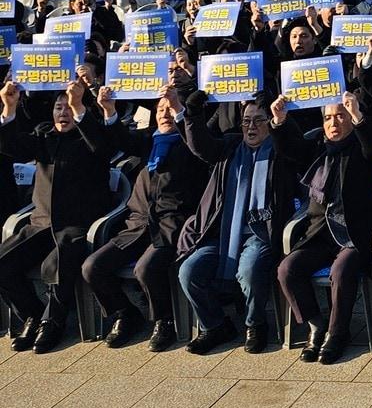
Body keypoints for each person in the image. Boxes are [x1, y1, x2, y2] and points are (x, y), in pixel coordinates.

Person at [82, 83, 208, 350]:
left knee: (146, 268)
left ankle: (165, 320)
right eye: (160, 109)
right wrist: (108, 109)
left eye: (170, 109)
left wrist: (179, 109)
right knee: (92, 267)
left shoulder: (190, 144)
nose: (164, 113)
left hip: (172, 225)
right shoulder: (149, 141)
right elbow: (120, 140)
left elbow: (198, 142)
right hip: (138, 225)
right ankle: (126, 314)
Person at [176, 94, 304, 355]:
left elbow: (296, 146)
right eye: (246, 121)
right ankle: (215, 326)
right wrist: (192, 110)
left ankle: (255, 324)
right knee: (189, 271)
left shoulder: (280, 150)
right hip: (224, 233)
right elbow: (200, 145)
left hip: (263, 232)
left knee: (250, 268)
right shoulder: (230, 147)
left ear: (270, 123)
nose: (251, 127)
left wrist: (282, 121)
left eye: (259, 120)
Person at [0, 80, 116, 353]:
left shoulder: (91, 137)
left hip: (75, 226)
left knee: (57, 262)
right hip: (40, 224)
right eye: (58, 107)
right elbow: (11, 145)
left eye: (69, 107)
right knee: (3, 264)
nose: (63, 113)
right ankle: (32, 315)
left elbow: (103, 149)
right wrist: (9, 106)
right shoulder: (44, 137)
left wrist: (79, 106)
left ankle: (53, 323)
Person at [273, 91, 372, 365]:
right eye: (328, 118)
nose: (333, 123)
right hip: (318, 234)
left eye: (340, 116)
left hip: (352, 235)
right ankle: (316, 324)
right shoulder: (317, 148)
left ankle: (337, 334)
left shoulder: (362, 148)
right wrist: (279, 121)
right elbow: (289, 148)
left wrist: (358, 114)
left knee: (342, 270)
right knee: (287, 269)